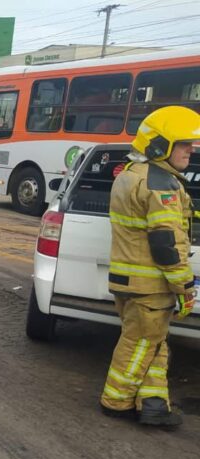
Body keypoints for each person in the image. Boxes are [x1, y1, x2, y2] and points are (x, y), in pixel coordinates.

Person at [100, 105, 200, 428]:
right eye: (183, 144)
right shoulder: (161, 186)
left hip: (129, 283)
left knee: (153, 342)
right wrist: (185, 287)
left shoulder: (129, 175)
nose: (191, 149)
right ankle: (115, 401)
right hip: (151, 288)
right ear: (160, 146)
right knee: (141, 343)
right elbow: (167, 245)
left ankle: (154, 404)